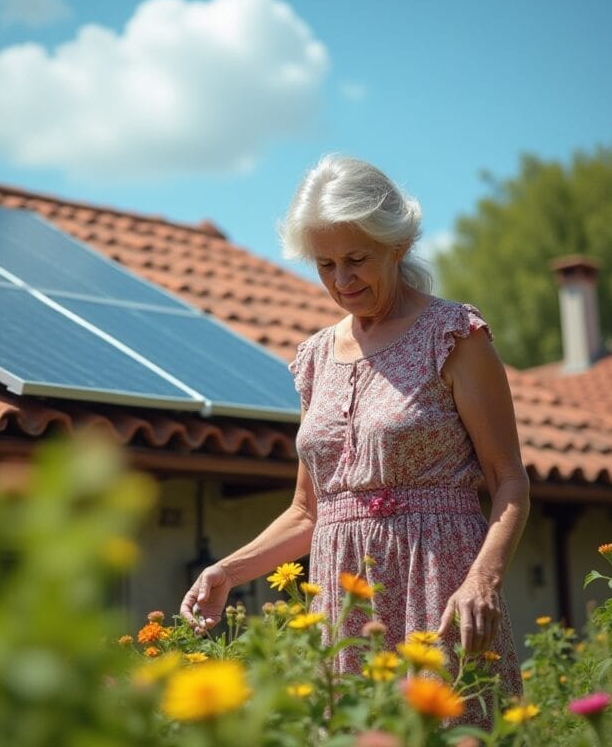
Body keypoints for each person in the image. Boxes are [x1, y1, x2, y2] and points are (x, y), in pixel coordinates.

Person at [180, 155, 529, 714]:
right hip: (345, 607)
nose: (342, 281)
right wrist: (228, 569)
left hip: (438, 585)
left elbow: (509, 480)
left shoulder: (456, 336)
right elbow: (308, 510)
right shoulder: (315, 357)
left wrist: (482, 580)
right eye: (325, 265)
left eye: (357, 259)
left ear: (398, 245)